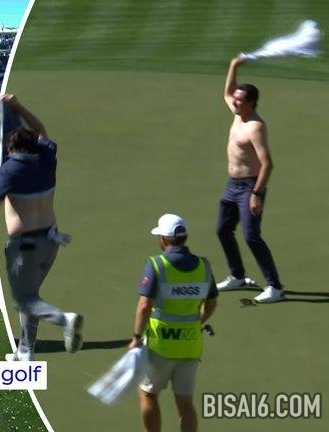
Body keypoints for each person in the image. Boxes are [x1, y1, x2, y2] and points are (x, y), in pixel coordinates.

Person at [0, 94, 82, 361]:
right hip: (51, 242)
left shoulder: (10, 169)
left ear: (11, 148)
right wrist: (18, 106)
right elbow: (41, 130)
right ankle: (25, 351)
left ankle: (65, 320)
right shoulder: (46, 157)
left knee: (25, 300)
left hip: (25, 247)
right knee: (31, 298)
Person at [129, 214, 218, 432]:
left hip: (160, 347)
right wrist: (198, 322)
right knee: (185, 404)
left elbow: (144, 306)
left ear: (163, 239)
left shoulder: (156, 265)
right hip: (190, 346)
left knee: (148, 394)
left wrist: (137, 337)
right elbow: (212, 303)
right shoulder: (203, 266)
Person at [215, 55, 284, 303]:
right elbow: (227, 92)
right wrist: (234, 65)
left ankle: (275, 287)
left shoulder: (255, 127)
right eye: (235, 98)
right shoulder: (238, 114)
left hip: (249, 187)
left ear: (252, 103)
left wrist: (256, 194)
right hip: (232, 185)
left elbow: (267, 163)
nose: (234, 101)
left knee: (251, 236)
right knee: (223, 230)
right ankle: (238, 276)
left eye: (240, 100)